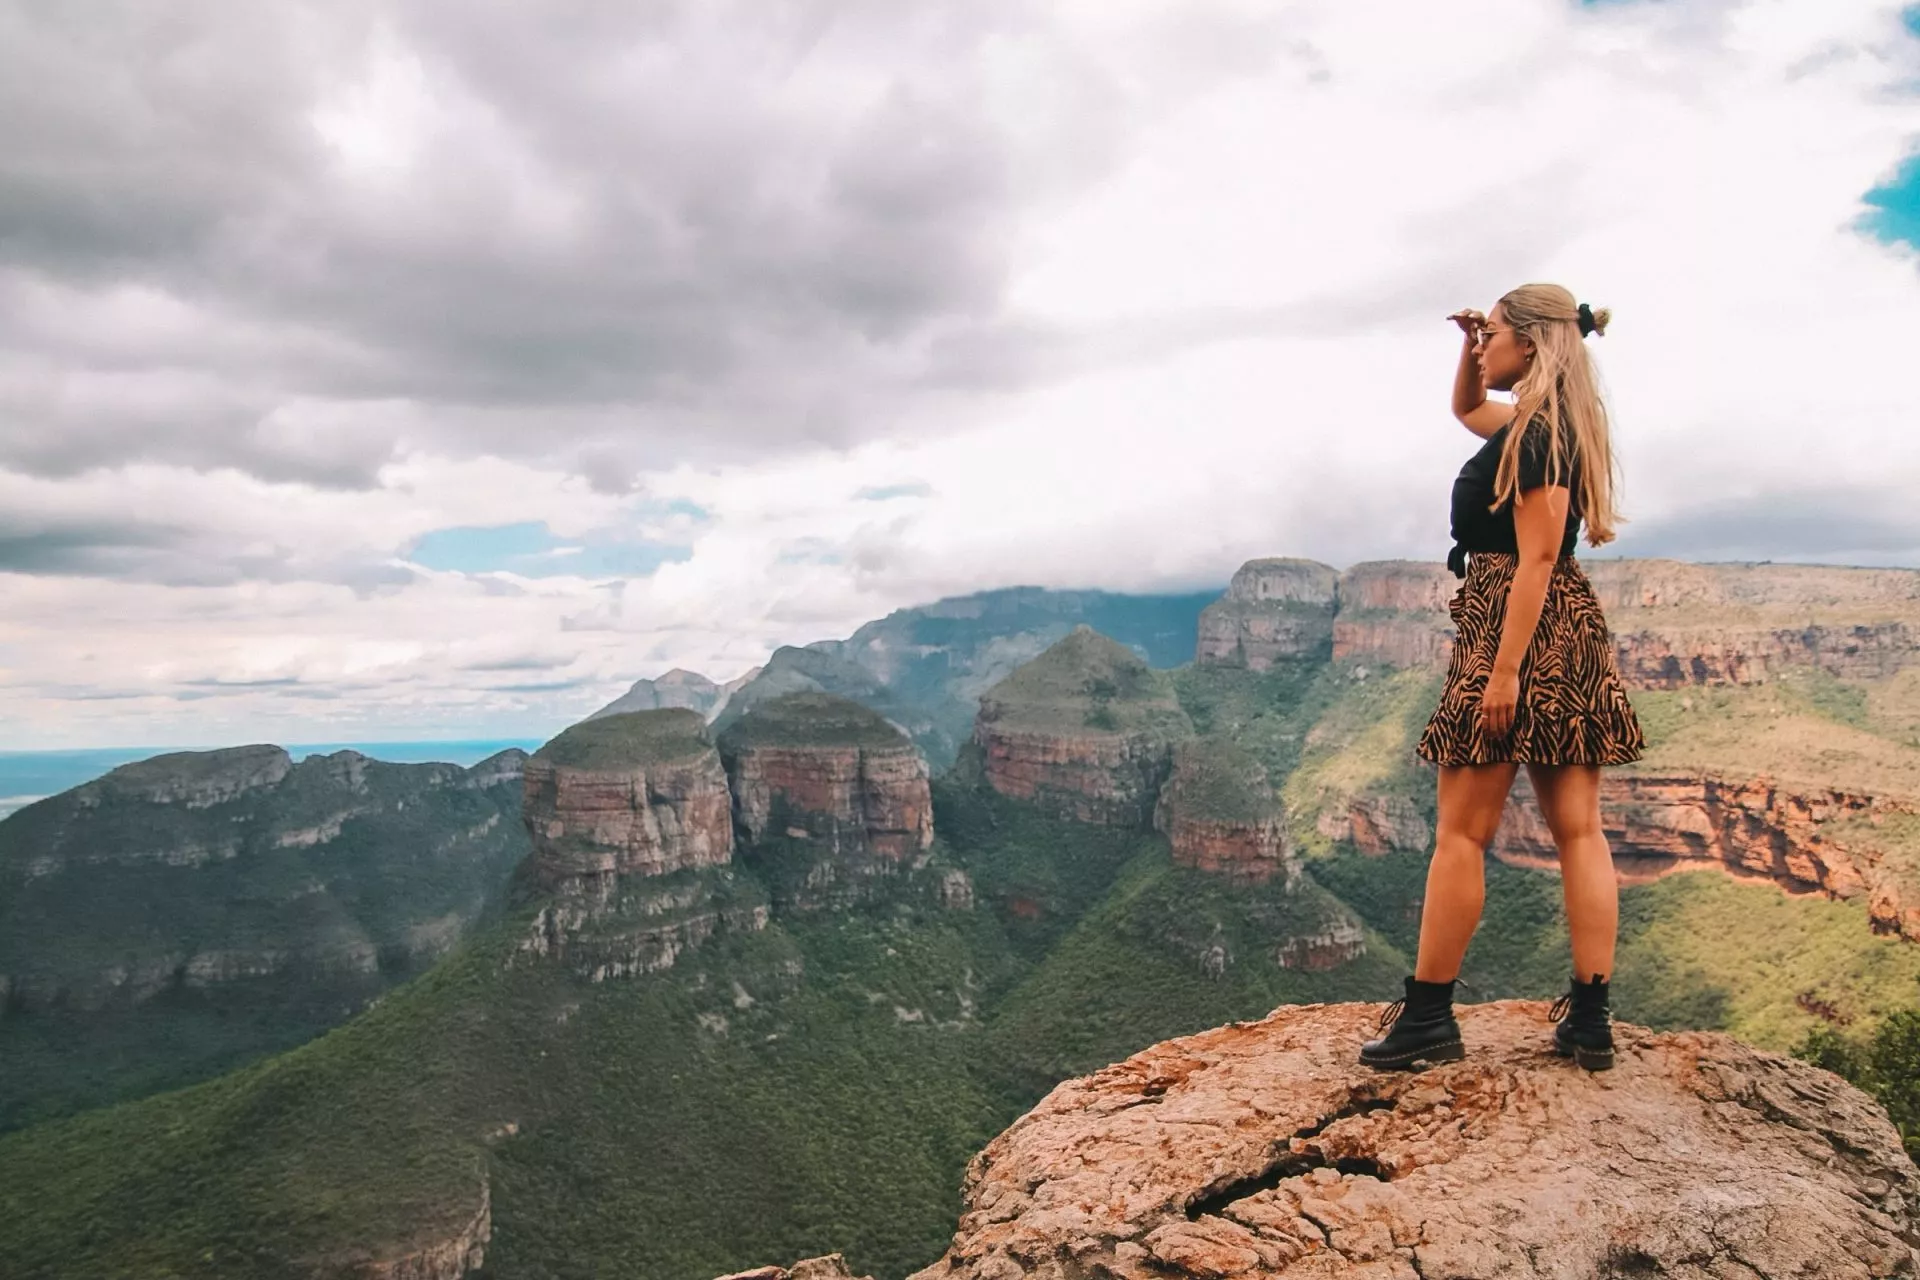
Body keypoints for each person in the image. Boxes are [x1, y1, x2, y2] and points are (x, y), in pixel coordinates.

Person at [1358, 282, 1645, 1074]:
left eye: (1494, 335)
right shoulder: (1535, 427)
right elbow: (1465, 409)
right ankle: (1589, 1022)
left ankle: (1427, 1017)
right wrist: (1466, 347)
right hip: (1557, 633)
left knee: (1462, 833)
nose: (1485, 346)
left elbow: (1539, 558)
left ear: (1531, 343)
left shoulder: (1537, 438)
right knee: (1578, 830)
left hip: (1516, 631)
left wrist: (1504, 672)